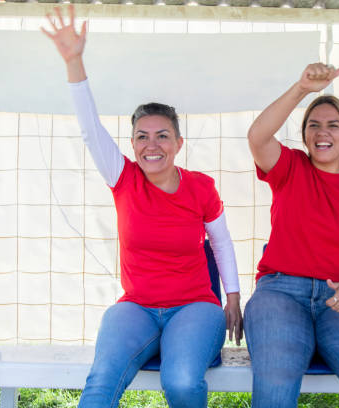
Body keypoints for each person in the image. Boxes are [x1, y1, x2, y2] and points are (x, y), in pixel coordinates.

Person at [42, 6, 243, 408]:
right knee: (100, 384)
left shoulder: (201, 187)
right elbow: (89, 127)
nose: (152, 145)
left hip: (195, 308)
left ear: (179, 144)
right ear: (133, 144)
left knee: (182, 382)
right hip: (136, 308)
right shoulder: (123, 178)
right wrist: (74, 61)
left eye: (163, 136)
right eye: (142, 136)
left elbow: (221, 243)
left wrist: (233, 298)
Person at [244, 63, 339, 407]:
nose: (322, 132)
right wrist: (302, 88)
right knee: (274, 393)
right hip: (280, 294)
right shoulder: (291, 168)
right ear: (305, 136)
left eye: (332, 125)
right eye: (313, 125)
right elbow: (257, 137)